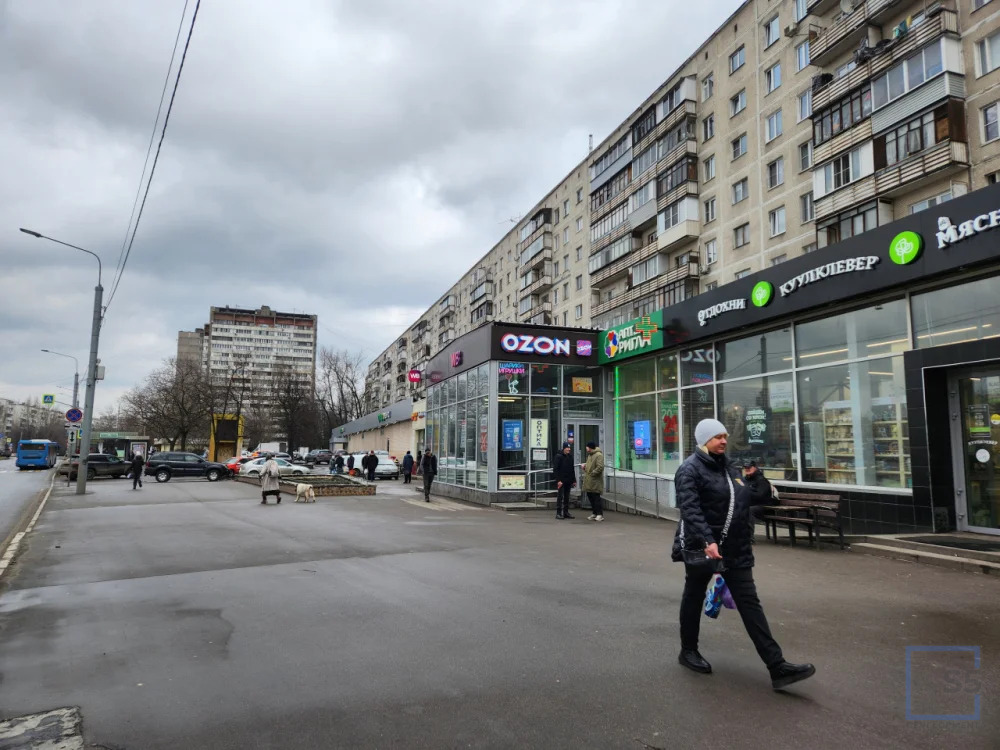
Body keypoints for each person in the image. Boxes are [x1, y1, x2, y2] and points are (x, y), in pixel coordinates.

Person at [672, 418, 815, 690]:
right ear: (704, 440)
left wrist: (757, 476)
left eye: (725, 436)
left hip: (736, 549)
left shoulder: (730, 468)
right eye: (717, 437)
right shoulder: (689, 470)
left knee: (750, 603)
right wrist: (707, 539)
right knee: (693, 595)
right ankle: (688, 651)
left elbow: (753, 498)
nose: (724, 440)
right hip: (704, 548)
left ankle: (777, 667)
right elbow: (690, 510)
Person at [742, 461, 773, 542]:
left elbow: (761, 496)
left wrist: (748, 492)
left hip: (764, 505)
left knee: (749, 510)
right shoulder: (745, 479)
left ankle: (749, 537)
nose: (747, 469)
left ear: (755, 467)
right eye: (745, 468)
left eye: (749, 467)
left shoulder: (761, 480)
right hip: (751, 504)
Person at [581, 441, 605, 521]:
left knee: (596, 498)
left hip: (595, 481)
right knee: (590, 497)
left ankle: (599, 514)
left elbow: (600, 467)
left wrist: (592, 473)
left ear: (590, 447)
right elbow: (590, 466)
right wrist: (585, 467)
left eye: (587, 447)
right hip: (589, 480)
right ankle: (594, 513)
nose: (586, 448)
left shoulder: (598, 455)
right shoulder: (590, 455)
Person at [552, 442, 576, 520]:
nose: (569, 449)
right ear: (564, 448)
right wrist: (558, 480)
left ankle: (566, 512)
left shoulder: (570, 457)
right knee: (560, 496)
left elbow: (572, 469)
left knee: (567, 497)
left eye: (569, 448)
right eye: (567, 448)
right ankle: (558, 513)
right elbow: (556, 469)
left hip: (568, 480)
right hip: (561, 481)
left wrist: (574, 480)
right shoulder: (558, 457)